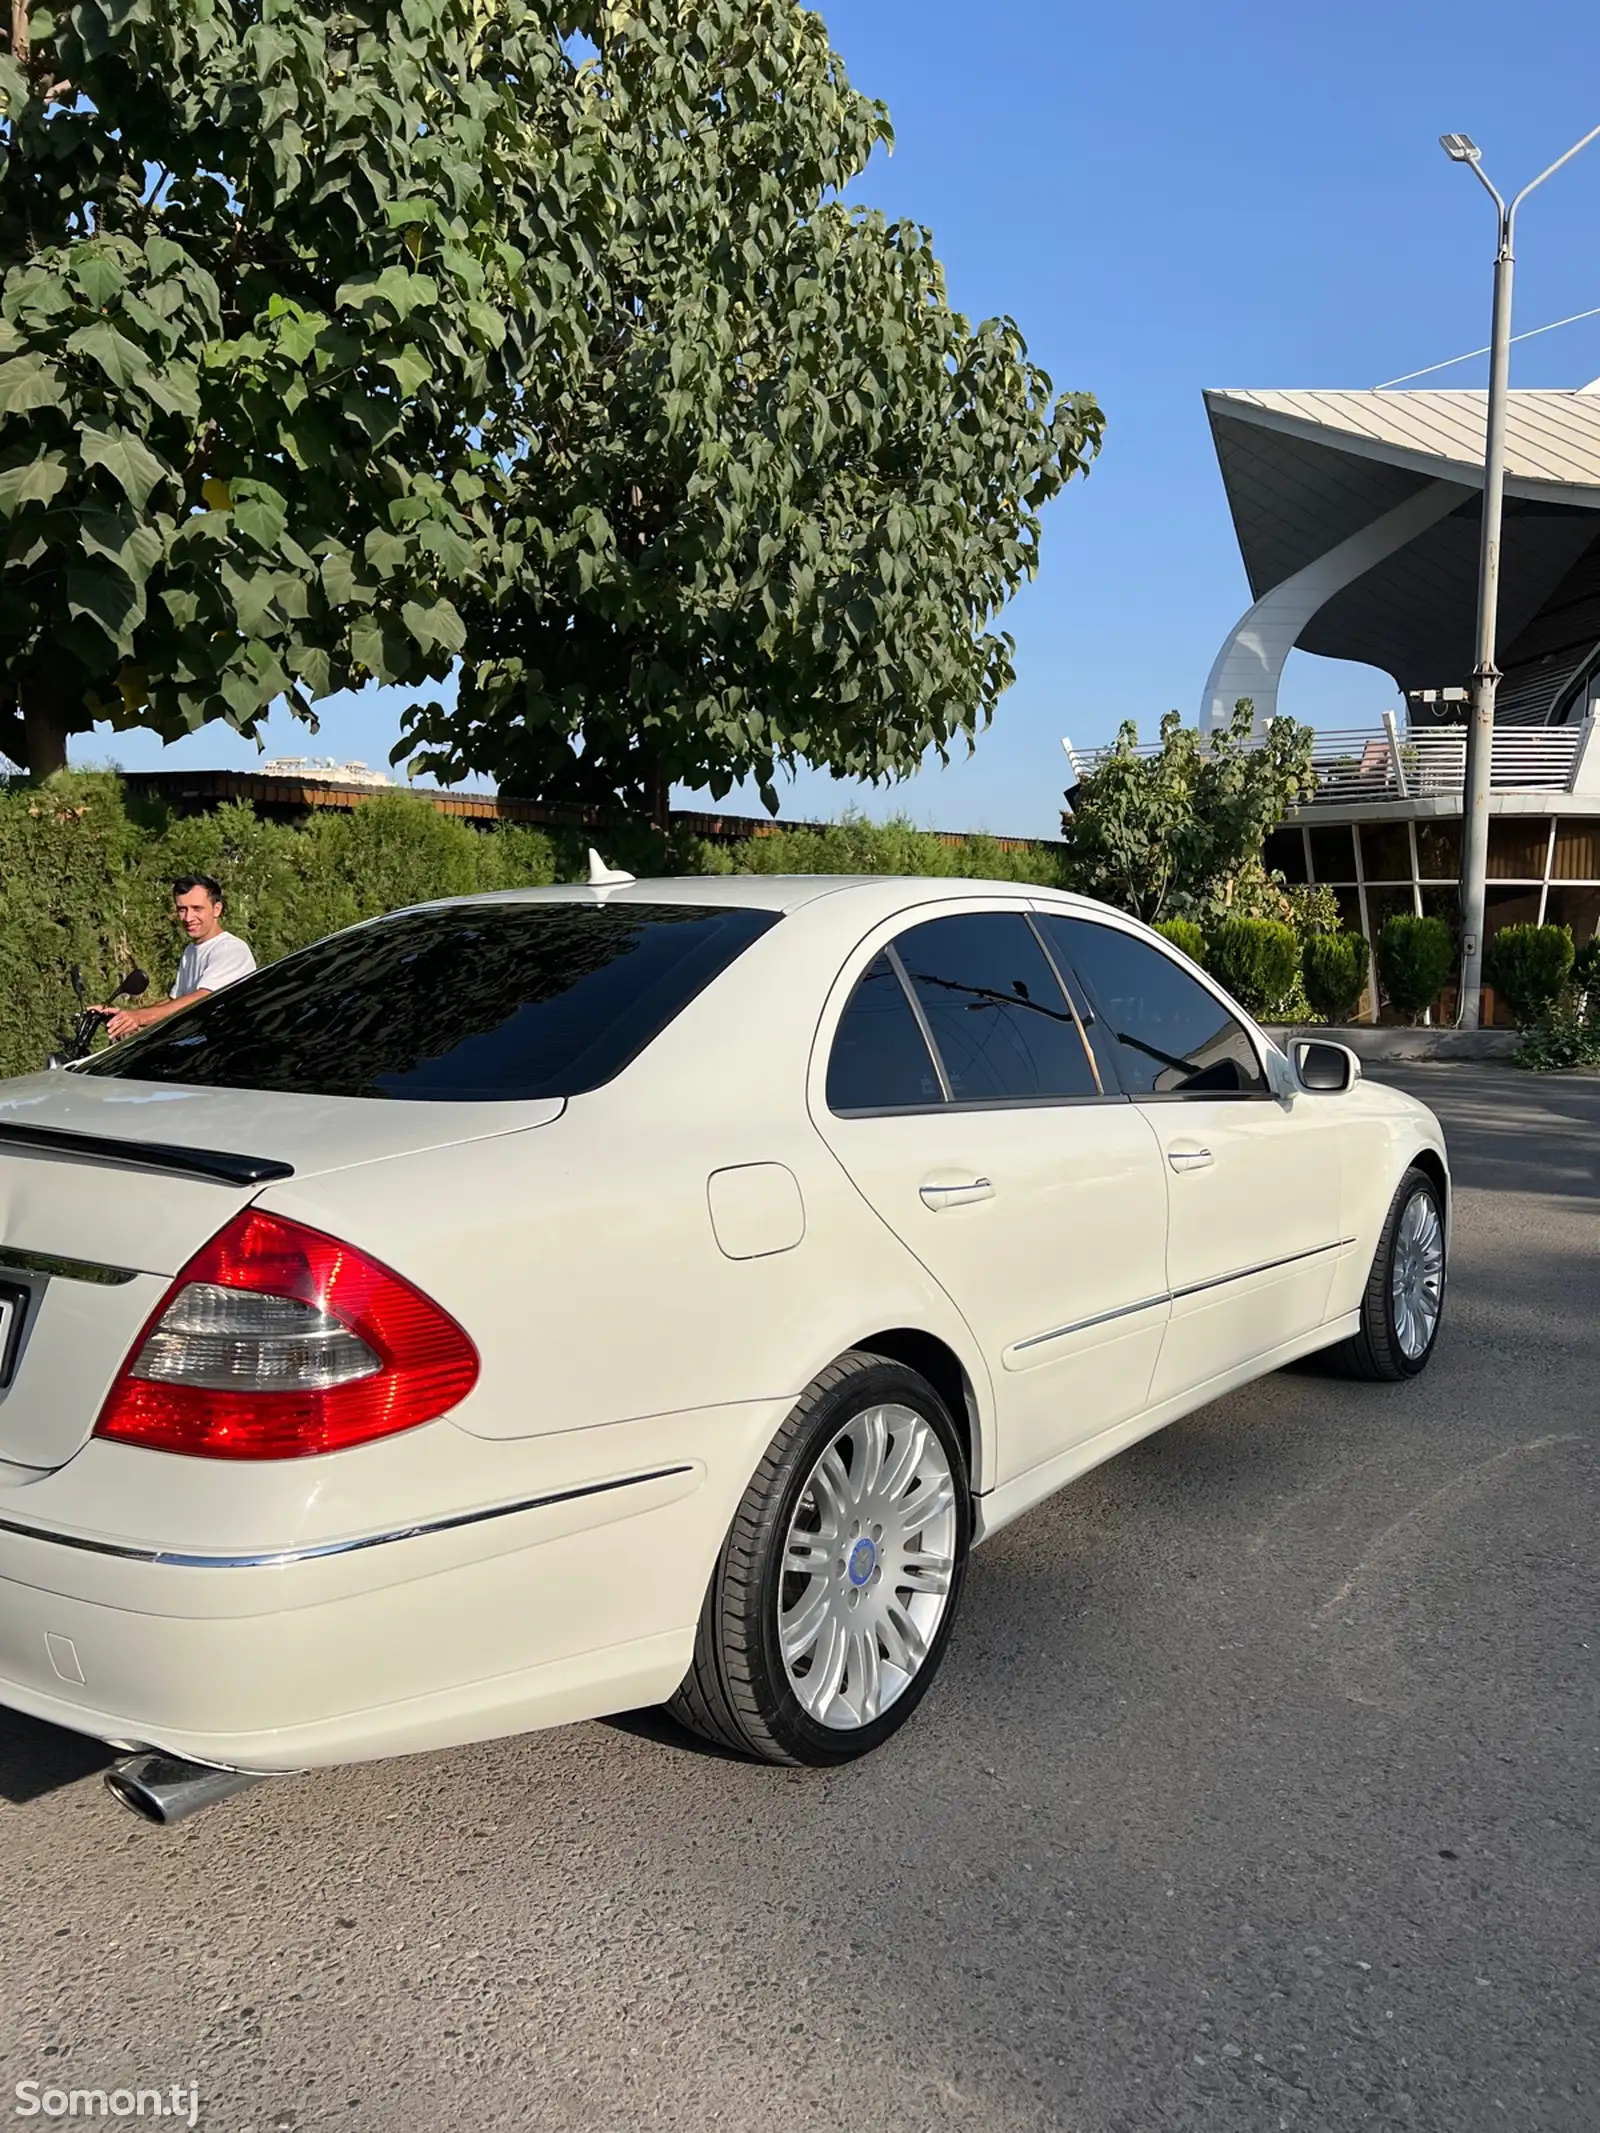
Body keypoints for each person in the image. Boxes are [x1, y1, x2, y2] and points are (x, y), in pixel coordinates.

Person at [100, 875, 257, 1040]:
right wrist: (125, 1016)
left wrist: (139, 1017)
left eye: (197, 908)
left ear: (216, 909)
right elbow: (176, 1001)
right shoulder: (191, 951)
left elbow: (201, 1001)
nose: (188, 918)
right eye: (182, 909)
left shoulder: (231, 949)